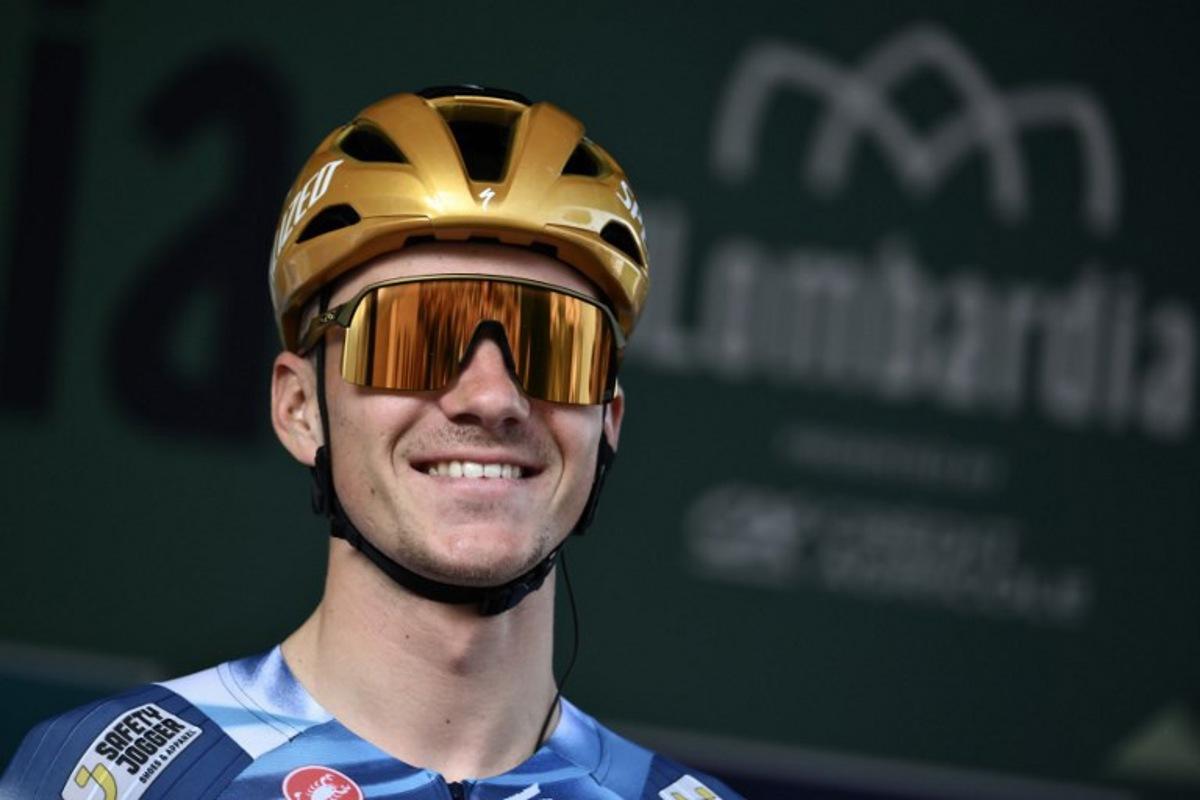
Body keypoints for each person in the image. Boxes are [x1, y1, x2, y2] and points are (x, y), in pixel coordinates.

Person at [0, 87, 743, 800]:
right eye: (412, 335)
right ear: (299, 408)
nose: (490, 398)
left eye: (555, 345)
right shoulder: (115, 782)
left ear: (608, 423)